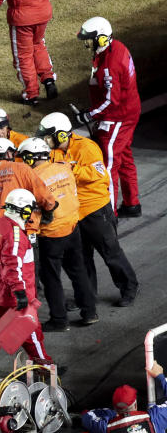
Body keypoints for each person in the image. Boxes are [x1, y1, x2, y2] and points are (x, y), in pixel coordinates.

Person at [38, 112, 138, 307]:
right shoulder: (52, 153)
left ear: (61, 135)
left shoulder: (87, 147)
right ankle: (86, 297)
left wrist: (70, 170)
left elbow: (100, 174)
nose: (46, 140)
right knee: (82, 259)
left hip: (95, 210)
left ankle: (129, 287)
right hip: (74, 213)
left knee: (111, 252)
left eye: (49, 136)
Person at [16, 137, 97, 330]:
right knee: (78, 271)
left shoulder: (33, 178)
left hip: (51, 234)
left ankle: (59, 320)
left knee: (51, 277)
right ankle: (90, 312)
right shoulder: (64, 167)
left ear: (30, 158)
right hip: (72, 227)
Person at [75, 16, 142, 217]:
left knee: (108, 165)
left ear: (102, 39)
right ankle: (132, 203)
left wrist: (89, 114)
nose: (86, 43)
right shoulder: (117, 48)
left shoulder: (109, 66)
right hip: (128, 111)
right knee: (125, 157)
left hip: (117, 117)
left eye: (89, 39)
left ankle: (109, 215)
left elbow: (111, 101)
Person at [0, 188, 52, 366]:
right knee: (32, 331)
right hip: (13, 295)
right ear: (23, 210)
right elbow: (12, 265)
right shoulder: (15, 233)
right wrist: (20, 293)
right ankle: (45, 367)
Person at [0, 137, 56, 241]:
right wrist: (49, 209)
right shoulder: (22, 169)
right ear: (8, 153)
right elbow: (43, 195)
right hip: (23, 231)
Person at [83, 362, 167, 433]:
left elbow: (87, 416)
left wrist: (111, 414)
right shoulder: (155, 418)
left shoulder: (105, 429)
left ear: (115, 408)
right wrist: (160, 376)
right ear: (135, 404)